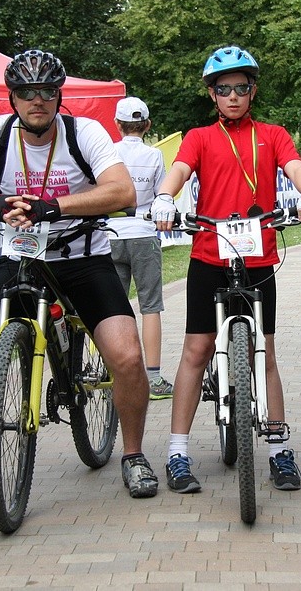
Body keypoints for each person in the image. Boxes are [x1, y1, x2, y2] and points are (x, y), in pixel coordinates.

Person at [0, 49, 159, 503]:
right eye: (27, 92)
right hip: (21, 260)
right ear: (12, 97)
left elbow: (122, 190)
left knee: (127, 357)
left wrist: (56, 207)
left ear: (58, 96)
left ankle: (133, 455)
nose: (38, 100)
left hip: (82, 258)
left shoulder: (83, 133)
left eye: (48, 91)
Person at [150, 45, 301, 494]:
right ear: (212, 94)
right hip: (209, 255)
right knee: (196, 350)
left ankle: (279, 449)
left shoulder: (273, 134)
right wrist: (165, 196)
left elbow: (296, 167)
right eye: (223, 89)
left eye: (240, 88)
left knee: (265, 352)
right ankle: (177, 452)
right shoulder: (200, 137)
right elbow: (179, 170)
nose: (232, 96)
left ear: (252, 91)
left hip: (259, 257)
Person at [108, 96, 173, 399]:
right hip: (144, 234)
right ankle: (155, 380)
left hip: (110, 235)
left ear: (117, 124)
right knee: (150, 308)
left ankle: (111, 376)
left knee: (111, 311)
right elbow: (161, 195)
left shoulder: (108, 153)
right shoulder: (154, 155)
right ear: (147, 125)